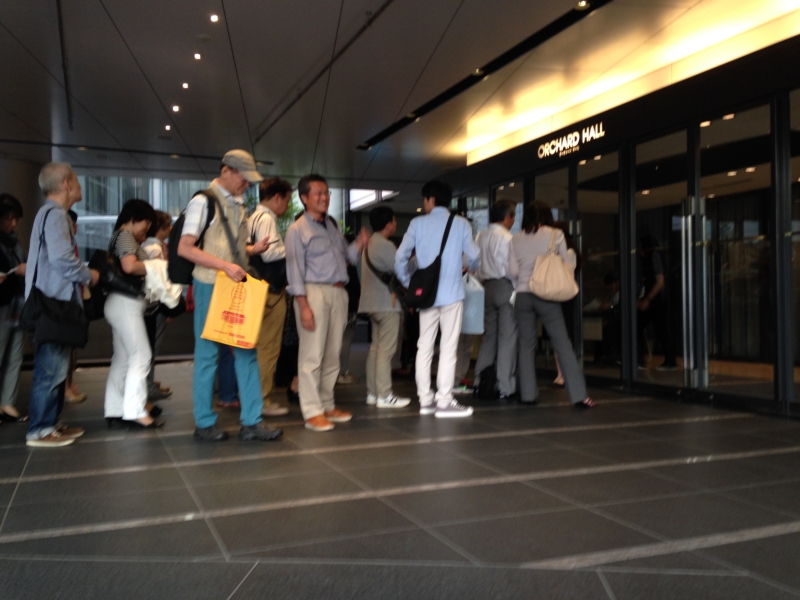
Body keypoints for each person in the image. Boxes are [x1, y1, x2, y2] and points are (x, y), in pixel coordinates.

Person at [177, 149, 283, 442]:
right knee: (208, 354)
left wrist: (251, 250)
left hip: (235, 285)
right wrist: (225, 265)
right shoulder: (203, 201)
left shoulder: (238, 204)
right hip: (210, 285)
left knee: (247, 351)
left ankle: (252, 421)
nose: (247, 184)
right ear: (226, 171)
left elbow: (227, 247)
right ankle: (204, 422)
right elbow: (185, 247)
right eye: (243, 178)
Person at [285, 174, 369, 431]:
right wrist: (304, 306)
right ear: (304, 198)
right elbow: (294, 272)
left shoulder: (331, 226)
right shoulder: (297, 229)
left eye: (326, 193)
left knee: (333, 353)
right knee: (312, 354)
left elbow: (347, 258)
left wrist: (359, 243)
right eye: (318, 193)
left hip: (338, 292)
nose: (324, 197)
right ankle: (312, 411)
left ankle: (327, 404)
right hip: (313, 292)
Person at [25, 162, 100, 447]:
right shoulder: (56, 215)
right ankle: (40, 429)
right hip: (53, 303)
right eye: (77, 181)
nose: (80, 186)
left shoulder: (49, 214)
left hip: (50, 302)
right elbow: (62, 260)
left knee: (55, 368)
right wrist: (89, 275)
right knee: (50, 370)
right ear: (66, 184)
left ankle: (50, 424)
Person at [395, 180, 480, 418]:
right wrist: (470, 267)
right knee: (448, 347)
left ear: (430, 199)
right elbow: (474, 255)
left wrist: (407, 282)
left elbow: (400, 257)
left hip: (426, 295)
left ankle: (425, 400)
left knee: (424, 346)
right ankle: (444, 400)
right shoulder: (461, 223)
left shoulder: (417, 223)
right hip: (452, 293)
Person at [508, 200, 595, 408]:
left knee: (526, 346)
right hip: (546, 294)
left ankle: (528, 395)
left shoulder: (515, 239)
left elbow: (513, 272)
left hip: (523, 295)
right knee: (562, 344)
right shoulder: (556, 235)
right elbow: (568, 264)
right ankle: (579, 396)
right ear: (548, 216)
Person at [104, 199, 164, 429]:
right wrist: (156, 266)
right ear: (133, 219)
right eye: (145, 223)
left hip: (119, 303)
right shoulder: (125, 236)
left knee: (122, 358)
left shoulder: (118, 236)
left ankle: (115, 408)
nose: (146, 229)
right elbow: (129, 266)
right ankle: (135, 411)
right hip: (126, 303)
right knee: (141, 356)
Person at [247, 177, 292, 417]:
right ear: (276, 198)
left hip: (256, 289)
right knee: (268, 347)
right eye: (287, 199)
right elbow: (269, 253)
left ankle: (253, 398)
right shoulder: (266, 219)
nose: (287, 205)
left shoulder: (252, 218)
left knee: (257, 348)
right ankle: (261, 400)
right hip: (270, 291)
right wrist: (293, 248)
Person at [359, 205, 409, 408]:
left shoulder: (368, 243)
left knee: (375, 349)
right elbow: (401, 271)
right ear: (388, 224)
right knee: (386, 351)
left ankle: (373, 393)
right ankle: (385, 395)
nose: (395, 224)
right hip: (387, 303)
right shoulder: (385, 245)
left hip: (371, 303)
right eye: (394, 221)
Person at [473, 199, 518, 399]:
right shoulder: (507, 238)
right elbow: (510, 270)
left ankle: (480, 381)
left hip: (487, 287)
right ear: (508, 217)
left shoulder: (480, 236)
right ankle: (504, 386)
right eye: (513, 216)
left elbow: (473, 265)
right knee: (507, 338)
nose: (513, 221)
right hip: (504, 286)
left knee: (489, 337)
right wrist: (517, 289)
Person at [0, 193, 28, 421]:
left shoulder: (14, 243)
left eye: (15, 218)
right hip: (2, 303)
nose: (13, 223)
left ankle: (7, 402)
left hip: (17, 302)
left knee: (15, 354)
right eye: (8, 218)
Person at [142, 210, 174, 402]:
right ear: (160, 228)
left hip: (148, 303)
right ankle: (148, 385)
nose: (170, 229)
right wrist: (168, 305)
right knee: (152, 345)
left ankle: (149, 381)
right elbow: (159, 280)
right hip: (155, 304)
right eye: (168, 225)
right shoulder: (155, 249)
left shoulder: (146, 245)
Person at [637, 234, 677, 370]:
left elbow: (660, 282)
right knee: (659, 329)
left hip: (656, 300)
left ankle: (668, 361)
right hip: (655, 299)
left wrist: (647, 299)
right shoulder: (650, 259)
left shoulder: (654, 258)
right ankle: (668, 360)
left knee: (659, 329)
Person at [64, 209, 88, 405]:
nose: (75, 228)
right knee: (64, 348)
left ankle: (69, 383)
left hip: (75, 299)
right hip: (67, 300)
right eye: (72, 224)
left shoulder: (73, 245)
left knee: (71, 347)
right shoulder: (64, 247)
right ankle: (65, 386)